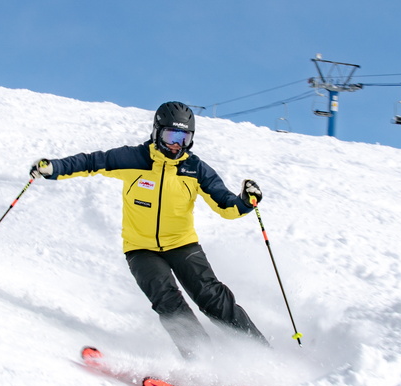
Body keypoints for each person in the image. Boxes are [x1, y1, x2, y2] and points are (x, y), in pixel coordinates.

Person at [31, 101, 267, 359]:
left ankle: (260, 354)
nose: (177, 143)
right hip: (141, 249)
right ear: (156, 132)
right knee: (168, 302)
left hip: (182, 244)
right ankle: (203, 361)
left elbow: (226, 205)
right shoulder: (133, 159)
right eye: (171, 135)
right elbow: (91, 162)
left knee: (212, 296)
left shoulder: (195, 169)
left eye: (185, 137)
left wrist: (244, 202)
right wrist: (54, 168)